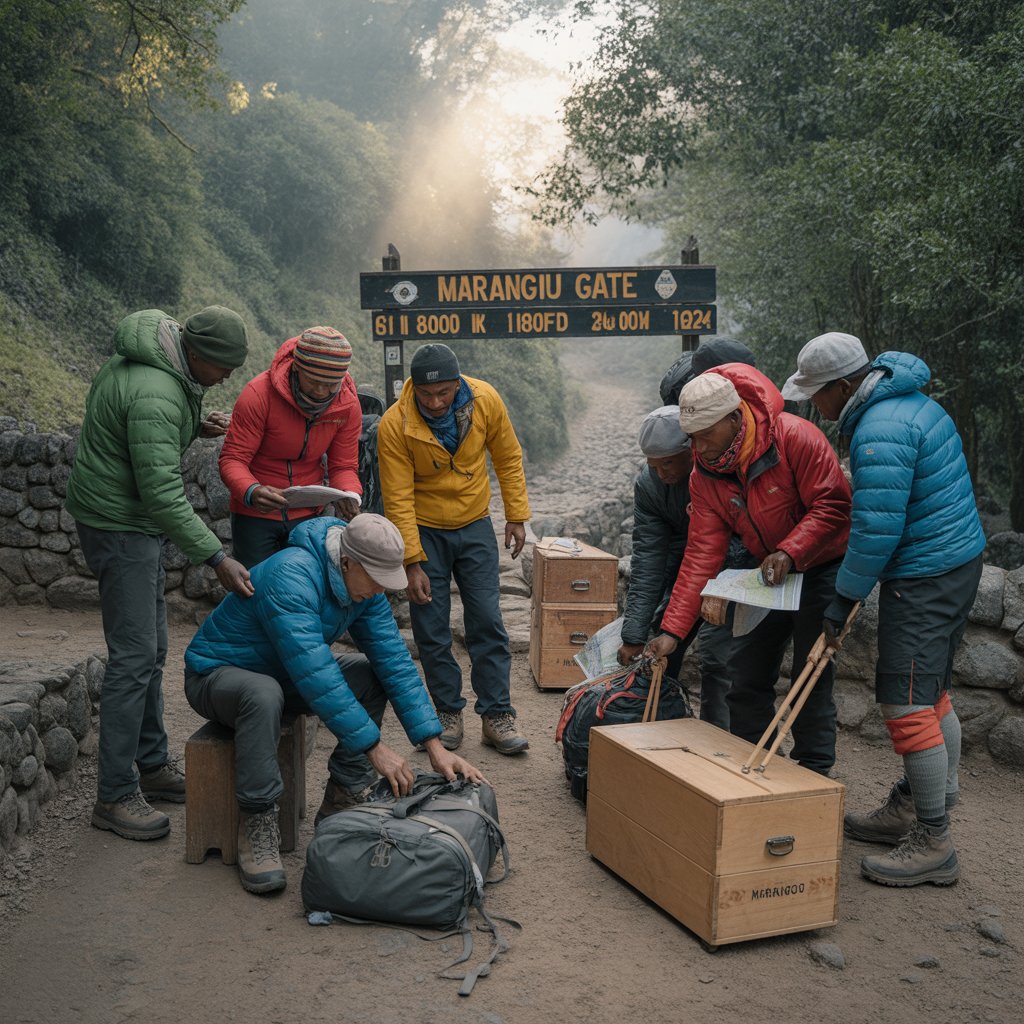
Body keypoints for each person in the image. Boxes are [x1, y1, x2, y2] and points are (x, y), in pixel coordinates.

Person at [184, 513, 484, 895]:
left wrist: (434, 745)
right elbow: (318, 675)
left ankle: (343, 792)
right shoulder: (291, 575)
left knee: (370, 673)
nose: (379, 591)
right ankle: (257, 820)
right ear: (346, 562)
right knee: (262, 694)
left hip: (281, 674)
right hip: (217, 676)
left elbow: (393, 660)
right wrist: (374, 748)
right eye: (375, 580)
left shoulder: (363, 588)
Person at [784, 332, 986, 886]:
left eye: (817, 394)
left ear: (845, 386)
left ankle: (933, 839)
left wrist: (843, 597)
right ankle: (923, 803)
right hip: (956, 563)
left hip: (924, 575)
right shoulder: (907, 401)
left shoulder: (878, 432)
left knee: (904, 703)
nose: (814, 407)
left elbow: (876, 528)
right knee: (932, 692)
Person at [65, 306, 254, 842]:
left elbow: (141, 427)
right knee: (132, 658)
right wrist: (217, 558)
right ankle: (114, 795)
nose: (227, 379)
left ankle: (150, 764)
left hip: (127, 519)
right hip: (120, 523)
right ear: (196, 356)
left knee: (152, 651)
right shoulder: (157, 394)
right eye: (224, 368)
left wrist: (193, 421)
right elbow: (164, 495)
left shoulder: (161, 365)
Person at [646, 364, 852, 775]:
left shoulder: (794, 437)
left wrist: (791, 551)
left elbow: (834, 505)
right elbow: (702, 551)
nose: (700, 449)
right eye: (693, 439)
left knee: (811, 675)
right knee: (746, 672)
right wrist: (671, 631)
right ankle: (753, 763)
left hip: (822, 565)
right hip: (769, 573)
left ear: (735, 417)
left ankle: (813, 771)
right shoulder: (705, 475)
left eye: (707, 435)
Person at [377, 343, 531, 755]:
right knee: (431, 627)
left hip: (475, 523)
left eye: (443, 392)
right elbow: (397, 495)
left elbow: (508, 457)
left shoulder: (485, 400)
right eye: (426, 395)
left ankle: (497, 714)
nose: (435, 402)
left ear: (457, 384)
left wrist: (516, 515)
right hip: (424, 531)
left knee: (487, 620)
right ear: (414, 391)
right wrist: (411, 561)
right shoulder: (395, 423)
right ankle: (446, 712)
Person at [616, 406, 751, 729]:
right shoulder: (650, 486)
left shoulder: (723, 473)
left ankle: (720, 742)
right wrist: (634, 632)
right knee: (661, 644)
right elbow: (649, 557)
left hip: (735, 572)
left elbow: (743, 540)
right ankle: (661, 725)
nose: (662, 474)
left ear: (691, 449)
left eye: (667, 464)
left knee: (718, 658)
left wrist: (717, 590)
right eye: (653, 466)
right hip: (686, 570)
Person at [219, 326, 362, 568]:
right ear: (296, 367)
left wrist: (349, 494)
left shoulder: (346, 405)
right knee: (255, 588)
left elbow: (344, 465)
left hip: (309, 514)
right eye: (313, 381)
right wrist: (251, 491)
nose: (320, 391)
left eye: (330, 385)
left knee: (307, 585)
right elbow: (233, 458)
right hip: (255, 515)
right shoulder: (259, 394)